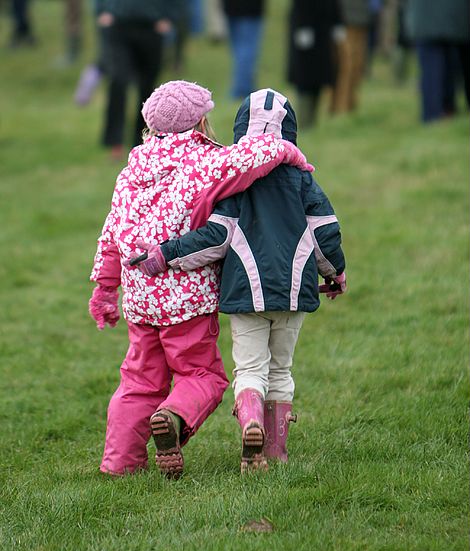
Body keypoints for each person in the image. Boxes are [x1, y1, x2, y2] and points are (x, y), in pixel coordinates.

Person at [89, 81, 313, 478]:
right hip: (186, 299)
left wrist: (106, 289)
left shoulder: (133, 167)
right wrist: (289, 151)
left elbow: (112, 231)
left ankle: (119, 463)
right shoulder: (205, 162)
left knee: (138, 381)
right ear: (201, 120)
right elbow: (251, 156)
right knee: (202, 375)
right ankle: (173, 417)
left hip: (140, 299)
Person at [129, 89, 346, 472]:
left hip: (244, 293)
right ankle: (275, 450)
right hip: (294, 291)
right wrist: (335, 273)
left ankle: (250, 424)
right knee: (281, 370)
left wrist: (165, 254)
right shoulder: (303, 181)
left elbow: (214, 238)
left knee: (249, 369)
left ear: (241, 129)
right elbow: (325, 234)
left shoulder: (237, 184)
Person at [95, 0, 183, 160]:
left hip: (151, 27)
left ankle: (142, 143)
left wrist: (169, 17)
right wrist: (101, 10)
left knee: (147, 89)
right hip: (118, 25)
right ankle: (116, 141)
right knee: (118, 81)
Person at [405, 0, 470, 122]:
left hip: (425, 18)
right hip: (457, 17)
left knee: (431, 69)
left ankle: (433, 114)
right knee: (451, 64)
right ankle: (447, 109)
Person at [287, 0, 342, 128]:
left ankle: (312, 121)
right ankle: (304, 121)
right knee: (304, 80)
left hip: (323, 34)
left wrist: (337, 22)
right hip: (304, 31)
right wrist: (302, 26)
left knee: (319, 79)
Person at [331, 0, 371, 113]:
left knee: (355, 66)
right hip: (344, 19)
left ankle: (349, 105)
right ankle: (340, 107)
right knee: (345, 65)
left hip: (360, 19)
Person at [222, 0, 265, 99]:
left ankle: (242, 87)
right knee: (246, 50)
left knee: (238, 50)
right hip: (250, 9)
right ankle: (242, 90)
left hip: (231, 7)